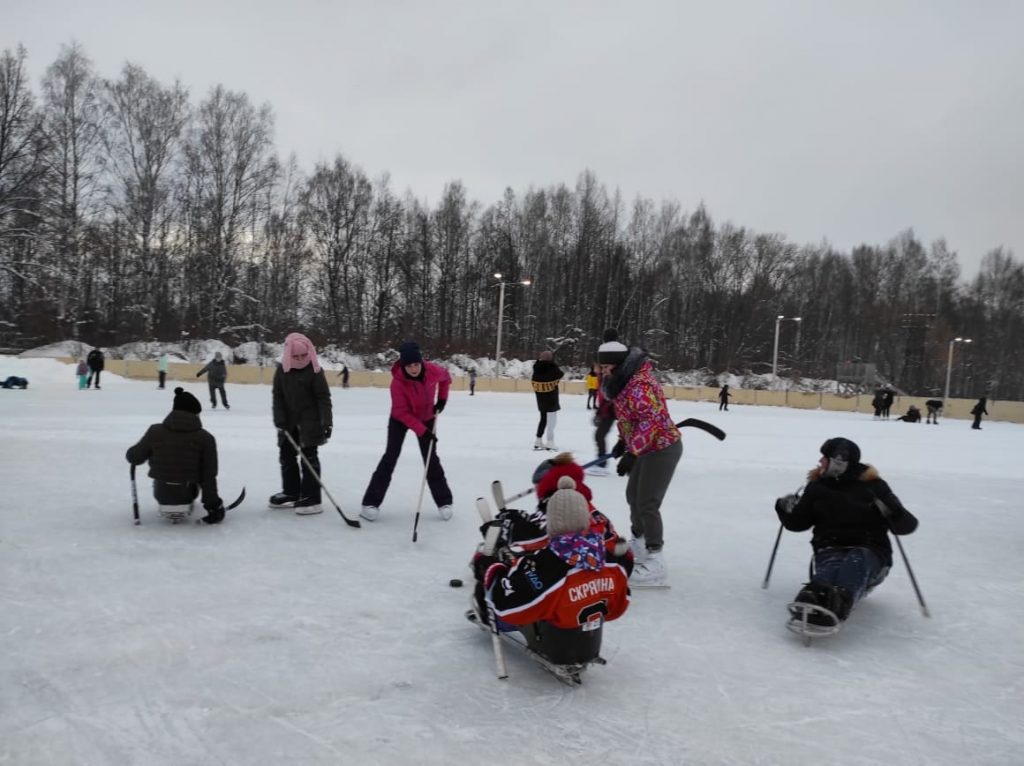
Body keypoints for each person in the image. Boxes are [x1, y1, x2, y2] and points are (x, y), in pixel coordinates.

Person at [479, 476, 631, 663]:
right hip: (589, 641)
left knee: (499, 600)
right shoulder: (610, 561)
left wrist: (494, 571)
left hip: (556, 645)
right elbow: (620, 603)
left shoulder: (549, 564)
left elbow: (508, 607)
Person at [774, 437, 918, 626]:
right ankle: (813, 596)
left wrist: (895, 510)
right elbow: (798, 524)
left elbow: (906, 526)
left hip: (871, 551)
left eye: (824, 458)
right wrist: (785, 509)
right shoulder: (817, 487)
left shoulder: (873, 486)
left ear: (838, 461)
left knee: (855, 560)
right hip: (829, 546)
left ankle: (840, 601)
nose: (820, 462)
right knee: (830, 569)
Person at [600, 338, 682, 586]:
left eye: (604, 367)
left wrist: (632, 452)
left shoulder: (640, 384)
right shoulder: (623, 383)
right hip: (645, 446)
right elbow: (631, 419)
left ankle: (656, 560)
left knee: (647, 503)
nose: (602, 371)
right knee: (632, 495)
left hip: (662, 447)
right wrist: (623, 441)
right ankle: (641, 545)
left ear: (617, 364)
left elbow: (652, 422)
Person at [360, 340, 453, 522]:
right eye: (409, 365)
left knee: (430, 459)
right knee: (390, 456)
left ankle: (444, 501)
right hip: (400, 420)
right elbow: (400, 412)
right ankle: (370, 503)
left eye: (416, 364)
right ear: (403, 366)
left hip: (426, 416)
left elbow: (446, 378)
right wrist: (422, 432)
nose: (413, 369)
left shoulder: (432, 370)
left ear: (421, 362)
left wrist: (442, 399)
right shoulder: (398, 383)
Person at [125, 387, 224, 524]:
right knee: (201, 472)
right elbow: (209, 476)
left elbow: (135, 457)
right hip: (187, 492)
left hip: (161, 493)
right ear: (195, 414)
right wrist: (213, 505)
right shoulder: (205, 438)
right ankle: (185, 501)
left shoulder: (155, 431)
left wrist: (132, 452)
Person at [269, 333, 333, 515]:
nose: (299, 359)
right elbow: (278, 396)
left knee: (309, 459)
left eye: (303, 356)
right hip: (288, 424)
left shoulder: (315, 370)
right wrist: (279, 418)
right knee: (287, 458)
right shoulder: (282, 370)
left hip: (310, 423)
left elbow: (323, 398)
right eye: (295, 357)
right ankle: (291, 493)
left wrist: (327, 422)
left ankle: (312, 498)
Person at [531, 350, 563, 450]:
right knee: (552, 421)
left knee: (543, 419)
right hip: (551, 398)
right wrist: (553, 363)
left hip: (540, 399)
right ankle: (550, 441)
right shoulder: (552, 368)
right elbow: (560, 374)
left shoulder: (536, 368)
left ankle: (538, 440)